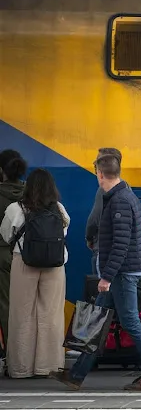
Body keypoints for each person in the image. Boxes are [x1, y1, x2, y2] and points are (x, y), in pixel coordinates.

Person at [51, 154, 141, 390]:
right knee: (96, 320)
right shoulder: (121, 196)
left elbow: (121, 244)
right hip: (121, 271)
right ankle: (77, 374)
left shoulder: (119, 200)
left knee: (130, 321)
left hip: (121, 273)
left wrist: (107, 277)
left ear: (99, 173)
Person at [0, 168, 66, 379]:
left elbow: (5, 233)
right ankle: (48, 367)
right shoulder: (60, 209)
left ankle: (21, 368)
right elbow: (64, 232)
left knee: (22, 313)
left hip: (24, 262)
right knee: (51, 314)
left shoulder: (15, 209)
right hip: (55, 266)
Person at [0, 150, 26, 349]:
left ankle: (11, 353)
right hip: (25, 254)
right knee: (24, 306)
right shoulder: (30, 193)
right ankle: (22, 353)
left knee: (6, 305)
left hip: (2, 255)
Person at [86, 148, 123, 275]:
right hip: (120, 254)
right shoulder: (126, 188)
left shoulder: (103, 190)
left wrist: (89, 238)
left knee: (101, 290)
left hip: (103, 250)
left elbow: (94, 219)